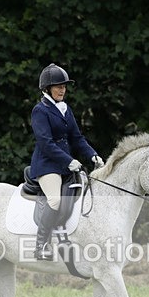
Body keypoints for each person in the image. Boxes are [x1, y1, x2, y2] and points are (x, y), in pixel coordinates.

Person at [30, 63, 103, 260]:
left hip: (65, 165)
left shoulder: (65, 108)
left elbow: (77, 138)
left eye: (64, 86)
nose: (63, 89)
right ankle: (40, 246)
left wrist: (91, 155)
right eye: (58, 86)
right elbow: (45, 143)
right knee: (55, 200)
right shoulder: (40, 110)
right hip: (47, 166)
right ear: (48, 89)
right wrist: (70, 160)